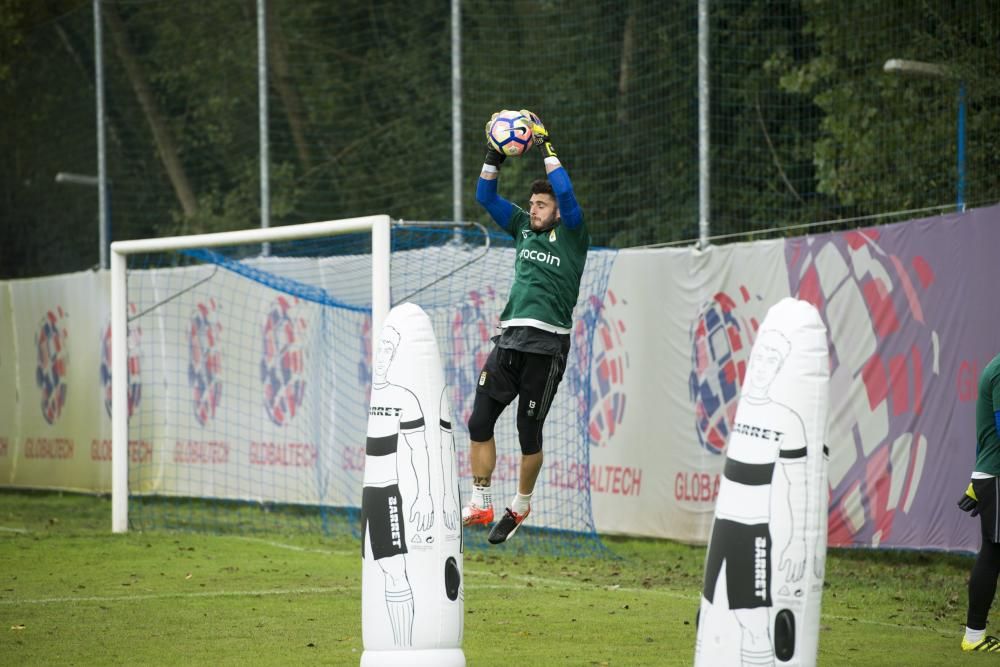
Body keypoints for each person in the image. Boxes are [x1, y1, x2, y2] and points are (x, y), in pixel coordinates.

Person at [461, 109, 589, 544]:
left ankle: (520, 504)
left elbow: (568, 194)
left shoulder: (572, 233)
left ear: (556, 211)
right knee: (479, 421)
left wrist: (544, 142)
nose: (532, 210)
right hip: (511, 338)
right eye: (532, 204)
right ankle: (481, 502)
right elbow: (485, 196)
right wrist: (494, 152)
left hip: (547, 345)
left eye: (541, 204)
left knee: (527, 432)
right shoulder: (521, 229)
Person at [957, 351, 1000, 652]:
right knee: (993, 553)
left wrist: (976, 480)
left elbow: (986, 436)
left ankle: (974, 635)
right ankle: (973, 636)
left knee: (993, 552)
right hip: (997, 476)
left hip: (990, 475)